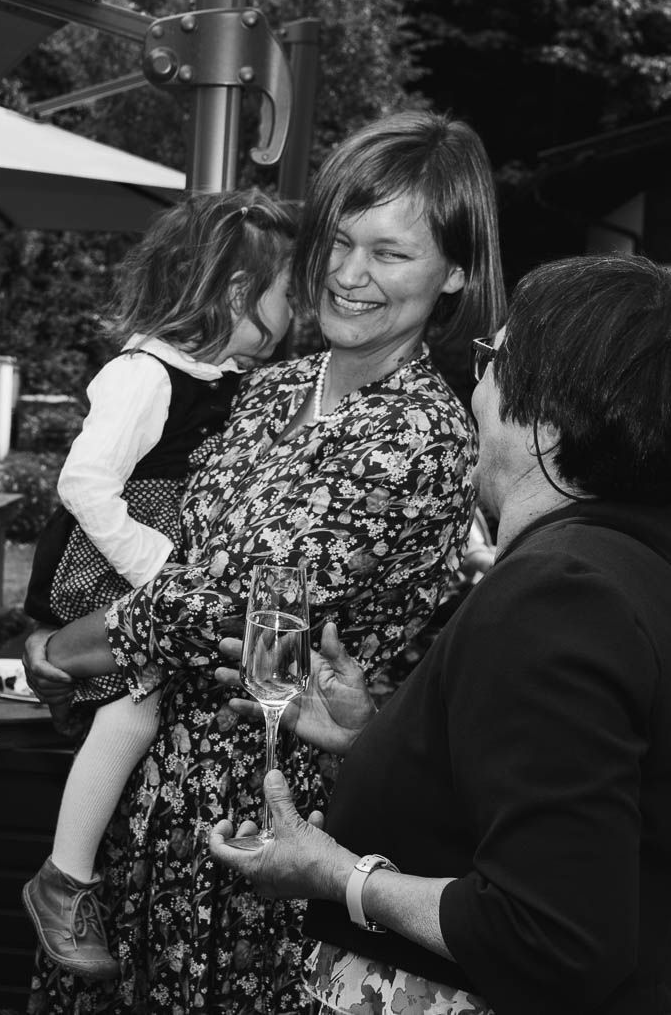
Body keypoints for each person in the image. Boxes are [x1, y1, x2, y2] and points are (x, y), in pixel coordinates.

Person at [23, 110, 503, 1014]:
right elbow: (182, 551)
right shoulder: (267, 386)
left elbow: (242, 609)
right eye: (338, 242)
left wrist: (64, 649)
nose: (349, 274)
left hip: (275, 816)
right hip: (146, 788)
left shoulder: (421, 434)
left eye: (390, 253)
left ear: (456, 273)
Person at [209, 252, 671, 1015]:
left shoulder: (559, 593)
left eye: (491, 360)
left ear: (547, 409)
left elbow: (552, 932)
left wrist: (336, 875)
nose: (474, 387)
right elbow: (567, 790)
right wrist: (381, 739)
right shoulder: (628, 563)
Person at [20, 189, 297, 981]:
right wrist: (156, 570)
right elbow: (84, 483)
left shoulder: (224, 377)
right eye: (287, 291)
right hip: (109, 566)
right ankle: (63, 879)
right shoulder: (145, 374)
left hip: (148, 570)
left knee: (132, 710)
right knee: (133, 711)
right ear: (240, 294)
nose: (297, 309)